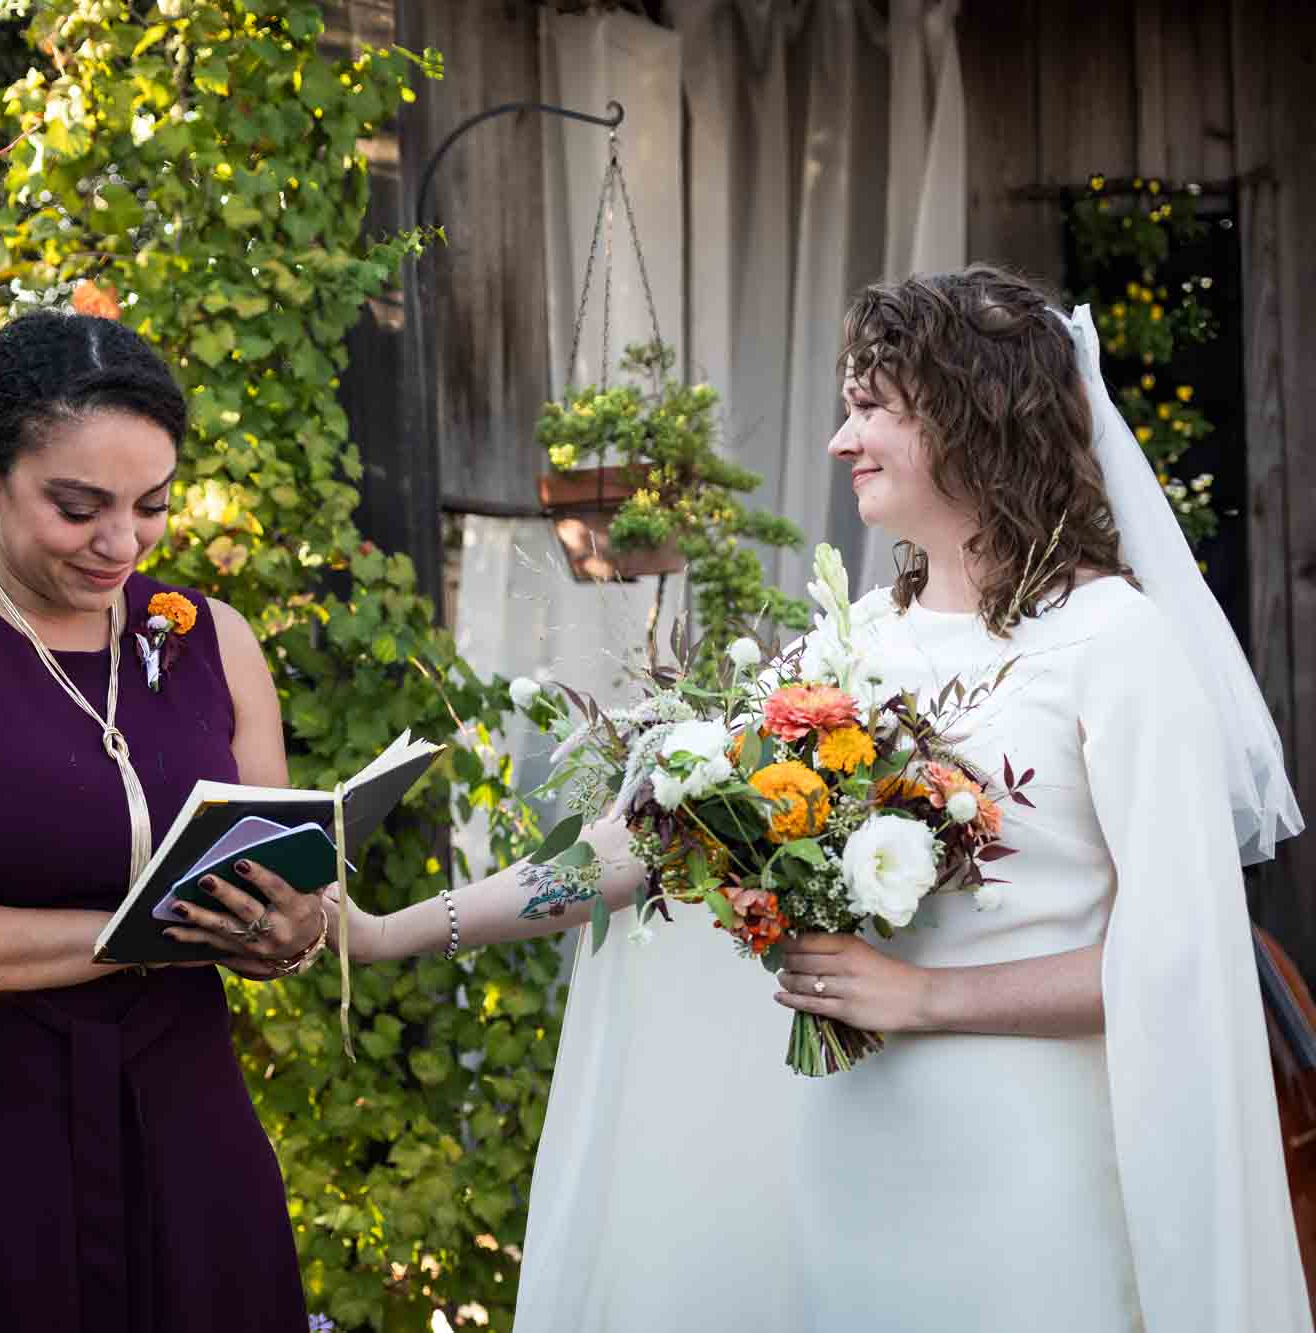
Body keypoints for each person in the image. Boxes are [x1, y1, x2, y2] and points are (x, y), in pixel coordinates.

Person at [331, 265, 1310, 1330]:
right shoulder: (847, 645)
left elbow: (1178, 960)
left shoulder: (1114, 645)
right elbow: (635, 849)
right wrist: (387, 932)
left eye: (868, 409)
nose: (840, 442)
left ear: (974, 418)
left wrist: (922, 997)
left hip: (1028, 1175)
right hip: (848, 1161)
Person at [0, 309, 327, 1330]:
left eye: (151, 506)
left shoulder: (215, 637)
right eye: (77, 506)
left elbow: (282, 876)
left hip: (185, 1135)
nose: (120, 542)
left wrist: (290, 932)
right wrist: (130, 937)